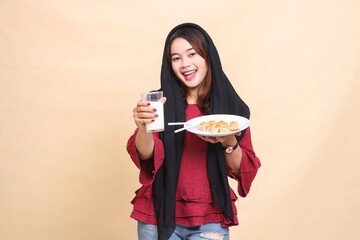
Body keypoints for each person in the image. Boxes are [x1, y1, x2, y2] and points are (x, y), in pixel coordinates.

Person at [127, 23, 261, 240]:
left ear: (208, 56)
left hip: (209, 216)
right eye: (176, 58)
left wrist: (228, 140)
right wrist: (144, 128)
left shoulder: (231, 110)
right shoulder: (160, 101)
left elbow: (243, 169)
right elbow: (145, 156)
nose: (185, 64)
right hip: (158, 214)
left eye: (192, 54)